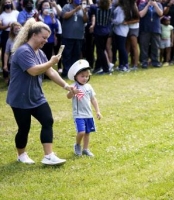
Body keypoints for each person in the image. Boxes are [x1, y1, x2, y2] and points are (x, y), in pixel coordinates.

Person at [6, 18, 73, 165]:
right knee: (24, 128)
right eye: (43, 37)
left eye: (47, 38)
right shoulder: (23, 51)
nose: (45, 41)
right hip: (20, 98)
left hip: (36, 96)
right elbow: (33, 71)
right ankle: (21, 155)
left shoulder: (39, 53)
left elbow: (51, 72)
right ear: (34, 35)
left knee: (47, 120)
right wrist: (52, 61)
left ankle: (48, 155)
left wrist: (66, 86)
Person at [67, 59, 102, 157]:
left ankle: (85, 149)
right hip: (79, 115)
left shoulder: (89, 87)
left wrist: (98, 111)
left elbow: (93, 99)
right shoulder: (74, 86)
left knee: (87, 132)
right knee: (81, 132)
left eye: (87, 76)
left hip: (88, 114)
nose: (85, 78)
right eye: (82, 76)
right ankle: (77, 145)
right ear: (76, 76)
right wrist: (72, 92)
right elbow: (68, 96)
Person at [60, 0, 88, 77]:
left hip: (79, 36)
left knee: (76, 55)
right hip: (68, 35)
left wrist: (85, 12)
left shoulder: (83, 8)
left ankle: (74, 73)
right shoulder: (67, 6)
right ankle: (66, 72)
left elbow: (85, 20)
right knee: (67, 54)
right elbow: (64, 16)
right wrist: (75, 10)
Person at [0, 0, 19, 83]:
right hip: (6, 34)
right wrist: (7, 26)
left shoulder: (16, 12)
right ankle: (5, 74)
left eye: (9, 2)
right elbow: (0, 26)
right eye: (6, 3)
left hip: (16, 34)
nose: (8, 4)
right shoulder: (1, 15)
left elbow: (20, 23)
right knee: (5, 51)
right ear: (3, 4)